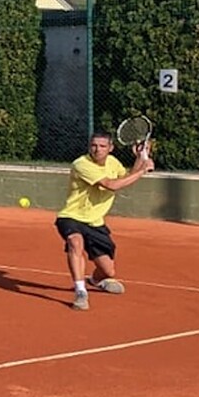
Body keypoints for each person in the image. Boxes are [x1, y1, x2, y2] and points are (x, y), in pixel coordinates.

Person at [55, 130, 151, 310]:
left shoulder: (113, 163)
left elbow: (126, 176)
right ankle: (81, 291)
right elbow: (111, 185)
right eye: (94, 145)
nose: (97, 149)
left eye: (102, 146)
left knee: (109, 271)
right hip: (71, 216)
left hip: (96, 223)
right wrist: (143, 170)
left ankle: (96, 280)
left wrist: (140, 157)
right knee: (75, 242)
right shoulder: (81, 164)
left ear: (111, 148)